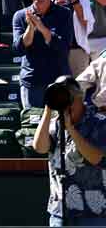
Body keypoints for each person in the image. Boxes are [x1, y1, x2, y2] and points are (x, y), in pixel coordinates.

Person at [33, 77, 106, 227]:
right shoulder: (54, 124)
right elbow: (40, 147)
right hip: (60, 209)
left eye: (68, 98)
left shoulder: (99, 123)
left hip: (92, 211)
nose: (65, 104)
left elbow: (96, 158)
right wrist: (48, 109)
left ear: (80, 98)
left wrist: (71, 129)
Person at [14, 0, 73, 108]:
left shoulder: (64, 13)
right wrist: (30, 27)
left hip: (58, 80)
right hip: (32, 80)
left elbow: (63, 47)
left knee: (60, 126)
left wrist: (41, 27)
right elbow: (19, 48)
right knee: (32, 126)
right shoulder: (20, 16)